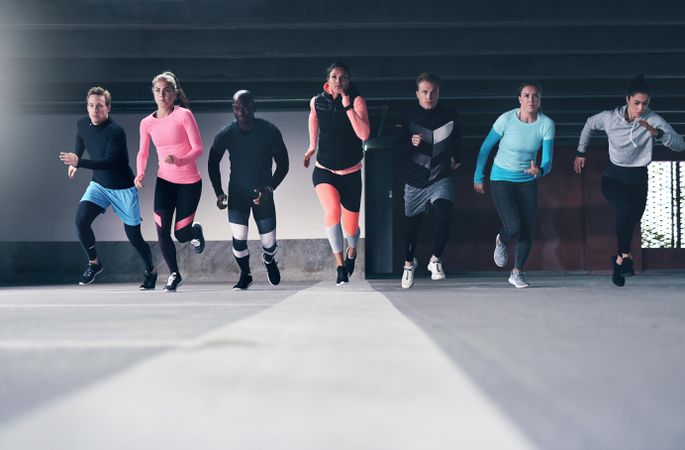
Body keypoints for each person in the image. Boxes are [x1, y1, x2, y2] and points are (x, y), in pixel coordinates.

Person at [574, 74, 685, 287]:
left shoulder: (654, 120)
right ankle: (625, 256)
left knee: (632, 219)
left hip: (639, 179)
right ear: (627, 99)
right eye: (636, 103)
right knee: (625, 213)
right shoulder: (609, 118)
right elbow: (589, 124)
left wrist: (658, 134)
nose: (641, 108)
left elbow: (680, 145)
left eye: (645, 103)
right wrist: (581, 152)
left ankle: (619, 260)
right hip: (614, 178)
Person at [59, 87, 156, 289]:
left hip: (123, 188)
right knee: (81, 221)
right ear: (87, 107)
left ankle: (150, 271)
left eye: (100, 106)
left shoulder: (115, 131)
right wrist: (74, 160)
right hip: (99, 185)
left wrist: (79, 163)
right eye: (91, 106)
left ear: (108, 108)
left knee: (134, 237)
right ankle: (94, 263)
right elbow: (81, 138)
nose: (95, 110)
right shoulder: (82, 123)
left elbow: (109, 161)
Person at [473, 81, 555, 288]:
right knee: (513, 227)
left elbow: (547, 161)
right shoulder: (506, 119)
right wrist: (477, 176)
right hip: (501, 178)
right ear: (519, 99)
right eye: (526, 96)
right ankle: (501, 239)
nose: (531, 99)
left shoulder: (546, 124)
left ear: (540, 99)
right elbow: (485, 148)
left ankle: (517, 272)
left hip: (527, 181)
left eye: (535, 96)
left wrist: (540, 170)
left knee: (527, 229)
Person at [208, 90, 289, 290]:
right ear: (233, 110)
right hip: (237, 194)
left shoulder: (269, 131)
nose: (241, 111)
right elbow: (212, 163)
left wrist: (269, 188)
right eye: (237, 107)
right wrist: (219, 192)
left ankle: (269, 260)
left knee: (269, 243)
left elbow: (284, 164)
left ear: (253, 107)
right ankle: (246, 274)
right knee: (239, 238)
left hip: (263, 194)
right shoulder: (226, 133)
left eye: (245, 106)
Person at [135, 71, 205, 292]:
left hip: (189, 183)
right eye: (157, 90)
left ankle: (195, 231)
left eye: (167, 90)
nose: (162, 94)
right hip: (164, 182)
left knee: (181, 234)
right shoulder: (146, 123)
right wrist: (140, 173)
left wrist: (180, 159)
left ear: (174, 94)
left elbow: (198, 148)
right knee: (162, 230)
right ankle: (174, 274)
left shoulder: (184, 115)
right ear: (153, 94)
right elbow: (143, 153)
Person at [304, 62, 370, 285]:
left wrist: (347, 106)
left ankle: (352, 249)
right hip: (324, 170)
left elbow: (364, 134)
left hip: (351, 172)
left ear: (348, 81)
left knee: (351, 228)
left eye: (343, 78)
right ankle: (340, 266)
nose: (338, 81)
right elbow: (313, 118)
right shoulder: (317, 101)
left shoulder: (357, 101)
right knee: (332, 212)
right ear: (328, 80)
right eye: (334, 77)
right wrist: (312, 146)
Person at [396, 73, 462, 289]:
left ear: (438, 92)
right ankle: (408, 265)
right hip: (414, 181)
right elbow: (395, 149)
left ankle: (436, 260)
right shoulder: (407, 116)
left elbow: (458, 142)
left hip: (439, 178)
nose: (429, 96)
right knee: (411, 228)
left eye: (433, 92)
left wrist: (457, 159)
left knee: (444, 216)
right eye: (425, 92)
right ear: (417, 94)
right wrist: (410, 143)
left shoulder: (451, 114)